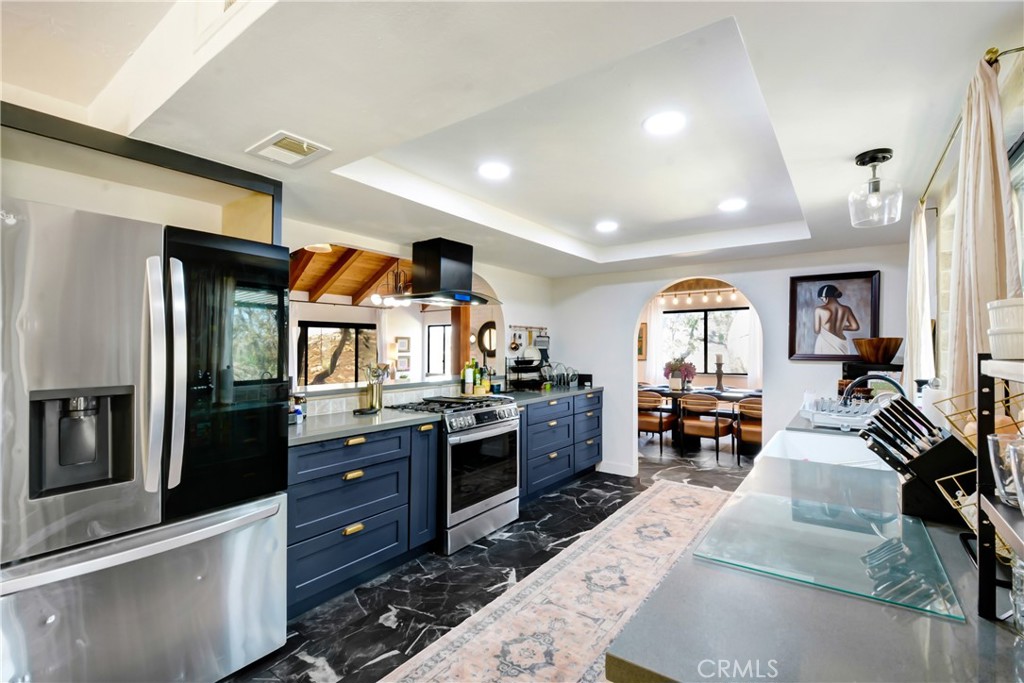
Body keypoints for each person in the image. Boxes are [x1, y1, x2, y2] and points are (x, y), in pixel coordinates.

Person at [813, 284, 859, 354]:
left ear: (826, 297)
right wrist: (840, 327)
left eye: (822, 299)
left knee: (823, 364)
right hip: (841, 343)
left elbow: (817, 330)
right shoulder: (846, 309)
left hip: (825, 342)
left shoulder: (819, 309)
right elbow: (855, 327)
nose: (823, 301)